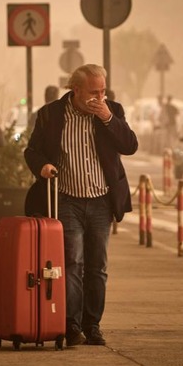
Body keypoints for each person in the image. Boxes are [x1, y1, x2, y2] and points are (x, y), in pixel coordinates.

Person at [24, 64, 138, 347]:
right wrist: (43, 166)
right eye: (93, 92)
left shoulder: (112, 111)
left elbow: (130, 145)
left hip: (101, 199)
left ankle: (93, 325)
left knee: (97, 266)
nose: (99, 98)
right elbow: (32, 150)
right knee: (73, 263)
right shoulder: (51, 114)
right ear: (75, 89)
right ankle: (71, 324)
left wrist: (109, 118)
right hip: (67, 199)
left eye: (103, 91)